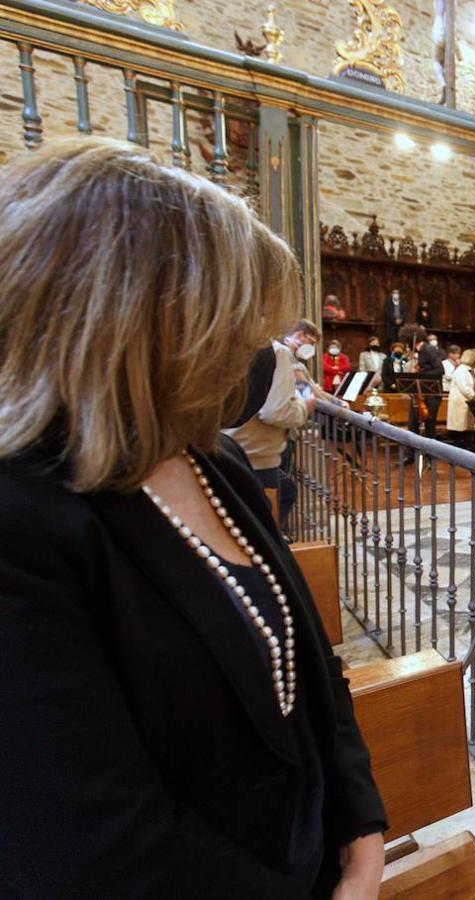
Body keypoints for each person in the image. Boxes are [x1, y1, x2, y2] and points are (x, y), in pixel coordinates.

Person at [0, 138, 385, 896]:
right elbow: (101, 847)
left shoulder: (219, 466)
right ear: (137, 325)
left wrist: (362, 838)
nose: (251, 357)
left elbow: (314, 672)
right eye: (235, 333)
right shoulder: (22, 519)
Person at [223, 319, 320, 524]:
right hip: (256, 453)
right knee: (262, 522)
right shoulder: (277, 353)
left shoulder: (224, 347)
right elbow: (276, 411)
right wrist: (305, 407)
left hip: (227, 446)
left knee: (284, 492)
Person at [445, 348, 475, 451]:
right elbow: (465, 388)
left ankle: (467, 449)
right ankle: (458, 452)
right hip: (460, 404)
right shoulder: (461, 370)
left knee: (468, 429)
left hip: (470, 404)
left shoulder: (473, 370)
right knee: (460, 429)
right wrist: (473, 397)